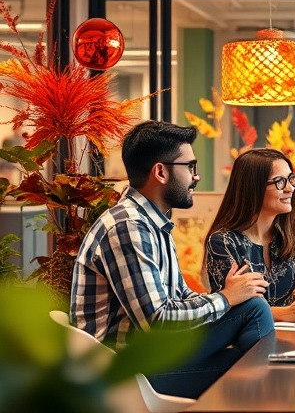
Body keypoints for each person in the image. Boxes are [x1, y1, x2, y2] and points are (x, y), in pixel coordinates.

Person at [71, 121, 274, 399]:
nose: (196, 177)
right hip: (126, 375)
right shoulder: (128, 227)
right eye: (190, 167)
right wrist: (226, 299)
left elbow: (179, 296)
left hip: (150, 357)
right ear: (161, 172)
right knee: (254, 334)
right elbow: (158, 319)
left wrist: (228, 297)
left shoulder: (153, 224)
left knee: (252, 335)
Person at [204, 148, 295, 322]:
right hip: (247, 340)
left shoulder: (294, 234)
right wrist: (284, 313)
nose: (290, 188)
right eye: (280, 181)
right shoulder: (223, 241)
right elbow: (231, 306)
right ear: (253, 188)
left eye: (291, 179)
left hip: (294, 334)